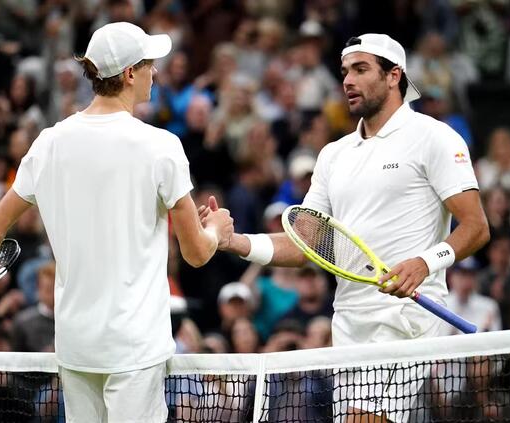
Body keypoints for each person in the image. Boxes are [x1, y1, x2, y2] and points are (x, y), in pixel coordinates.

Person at [0, 22, 233, 423]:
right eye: (149, 64)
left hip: (77, 347)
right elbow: (196, 253)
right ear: (130, 73)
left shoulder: (49, 142)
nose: (155, 72)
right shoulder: (161, 146)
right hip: (135, 348)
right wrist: (217, 231)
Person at [201, 33, 489, 422]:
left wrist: (424, 263)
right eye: (344, 72)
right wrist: (233, 240)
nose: (348, 80)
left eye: (360, 69)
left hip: (405, 317)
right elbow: (306, 246)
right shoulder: (333, 155)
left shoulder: (434, 137)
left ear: (393, 76)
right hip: (349, 319)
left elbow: (475, 227)